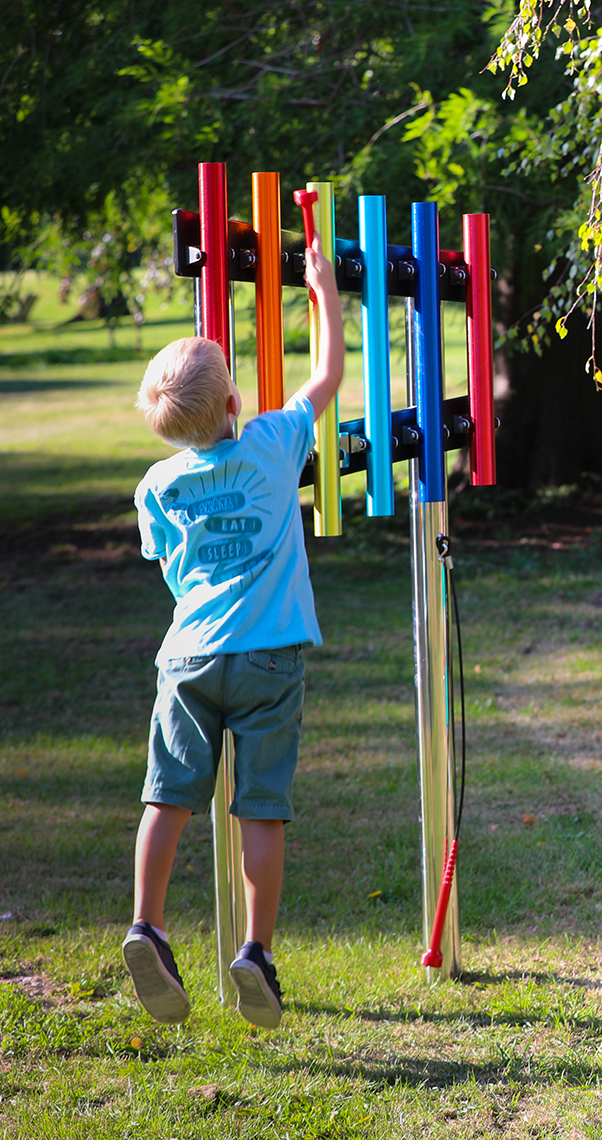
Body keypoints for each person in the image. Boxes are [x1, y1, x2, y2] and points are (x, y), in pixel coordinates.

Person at [122, 233, 344, 1028]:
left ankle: (145, 924)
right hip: (270, 655)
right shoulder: (276, 446)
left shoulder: (155, 485)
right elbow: (325, 379)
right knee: (260, 810)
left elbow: (172, 567)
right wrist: (322, 293)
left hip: (186, 657)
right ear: (235, 405)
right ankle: (256, 951)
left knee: (167, 799)